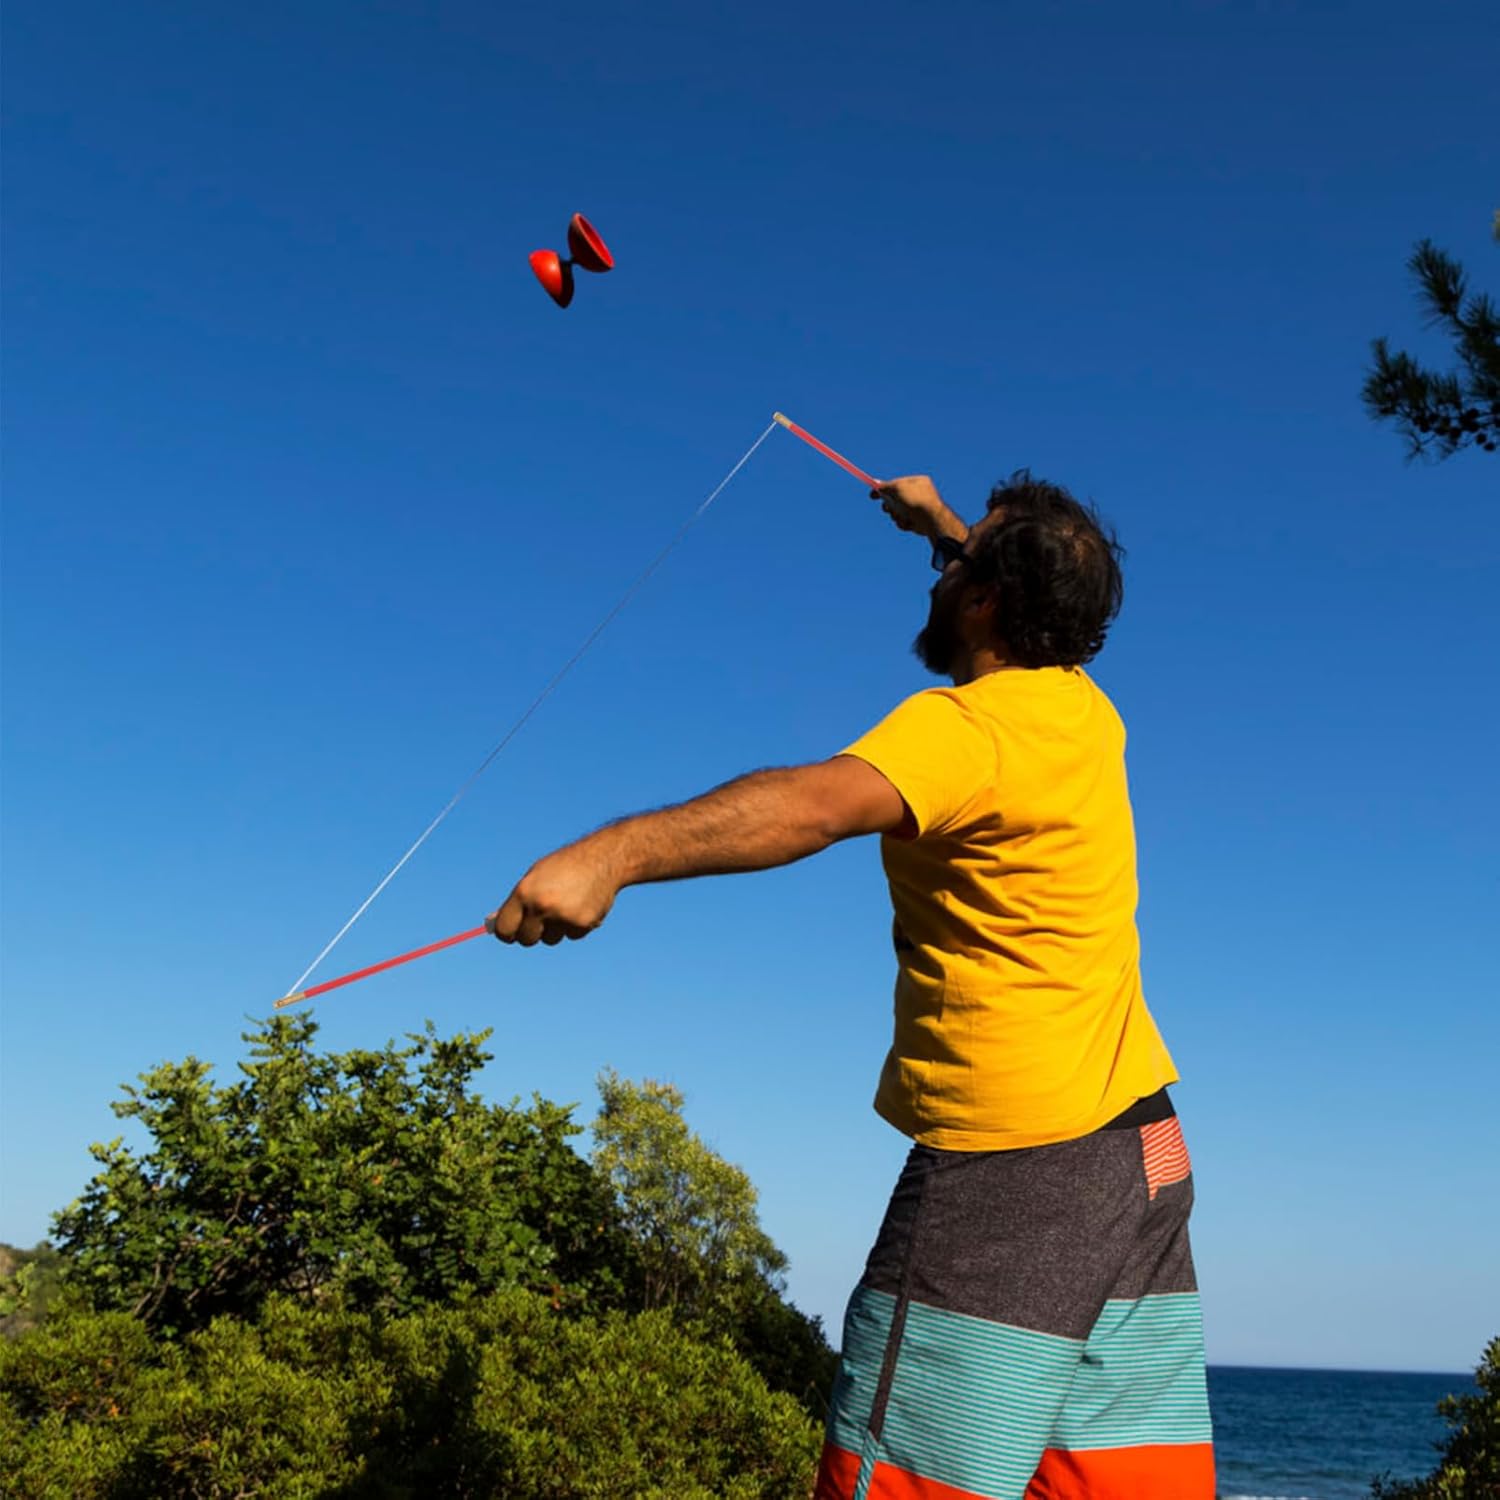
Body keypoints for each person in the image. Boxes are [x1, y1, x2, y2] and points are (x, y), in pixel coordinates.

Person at [488, 469, 1215, 1500]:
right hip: (1140, 1156)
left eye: (962, 561)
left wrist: (609, 856)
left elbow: (811, 806)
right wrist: (946, 527)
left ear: (984, 599)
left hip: (1013, 1176)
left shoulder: (964, 729)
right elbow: (1018, 585)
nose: (943, 571)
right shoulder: (1083, 712)